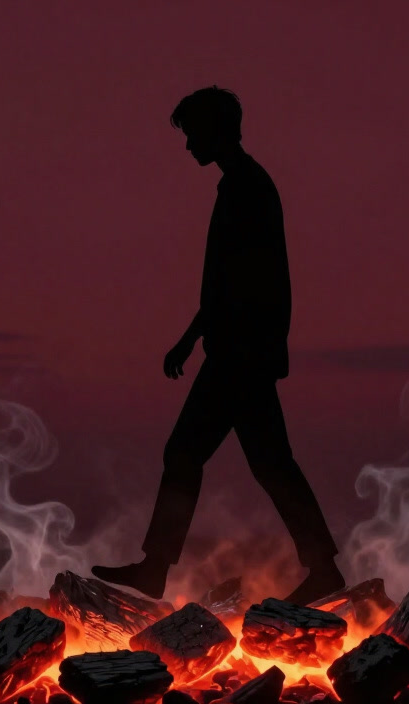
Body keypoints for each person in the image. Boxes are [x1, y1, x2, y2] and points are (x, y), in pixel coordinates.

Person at [91, 86, 345, 606]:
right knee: (269, 463)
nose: (188, 146)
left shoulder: (246, 188)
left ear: (216, 130)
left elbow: (239, 283)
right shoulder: (243, 185)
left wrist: (194, 341)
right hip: (242, 352)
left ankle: (157, 567)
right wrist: (192, 340)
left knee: (190, 452)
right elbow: (227, 283)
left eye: (192, 134)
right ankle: (322, 566)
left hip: (239, 356)